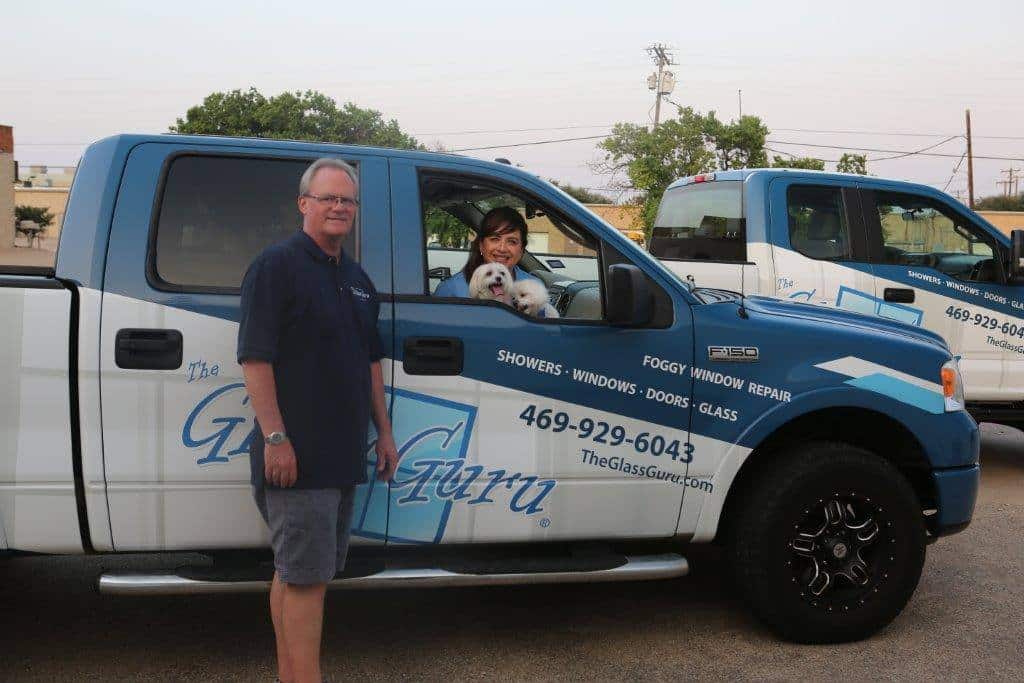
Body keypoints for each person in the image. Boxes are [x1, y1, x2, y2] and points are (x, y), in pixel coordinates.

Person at [237, 157, 399, 683]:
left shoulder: (356, 279)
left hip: (341, 451)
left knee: (299, 574)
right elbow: (255, 359)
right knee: (306, 579)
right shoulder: (276, 266)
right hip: (297, 452)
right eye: (327, 198)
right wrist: (276, 439)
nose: (338, 207)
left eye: (346, 200)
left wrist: (385, 433)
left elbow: (370, 362)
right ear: (304, 204)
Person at [434, 206, 544, 297]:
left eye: (512, 241)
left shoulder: (535, 287)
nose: (502, 248)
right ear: (481, 245)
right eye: (495, 239)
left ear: (522, 250)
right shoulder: (452, 289)